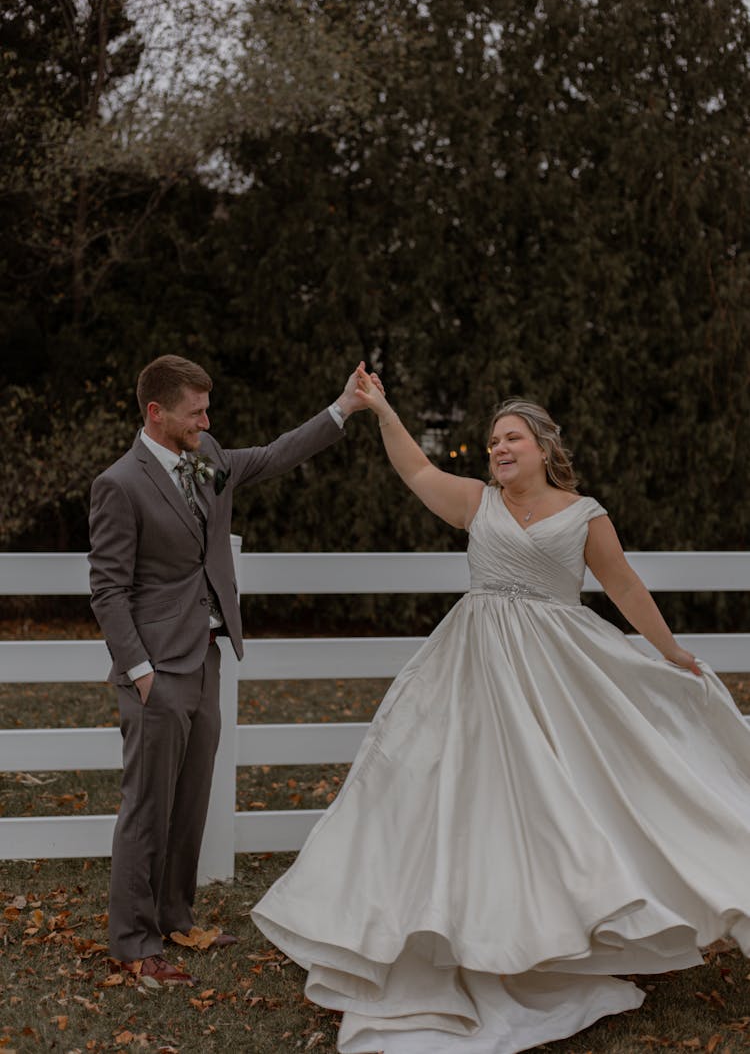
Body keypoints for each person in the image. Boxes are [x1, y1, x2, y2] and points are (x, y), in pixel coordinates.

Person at [252, 375, 750, 1054]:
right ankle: (467, 930)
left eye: (511, 436)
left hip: (557, 675)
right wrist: (383, 410)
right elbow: (417, 467)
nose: (498, 447)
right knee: (463, 799)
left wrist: (668, 651)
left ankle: (568, 931)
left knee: (565, 804)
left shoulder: (584, 514)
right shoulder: (475, 502)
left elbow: (624, 584)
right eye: (492, 440)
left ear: (543, 446)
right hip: (474, 670)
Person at [89, 354, 374, 987]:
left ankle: (173, 916)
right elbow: (107, 591)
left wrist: (343, 409)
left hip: (206, 658)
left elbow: (271, 456)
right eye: (196, 411)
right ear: (157, 414)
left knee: (190, 802)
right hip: (155, 671)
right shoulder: (120, 483)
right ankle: (134, 943)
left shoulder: (208, 454)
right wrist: (140, 673)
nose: (207, 420)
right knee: (146, 806)